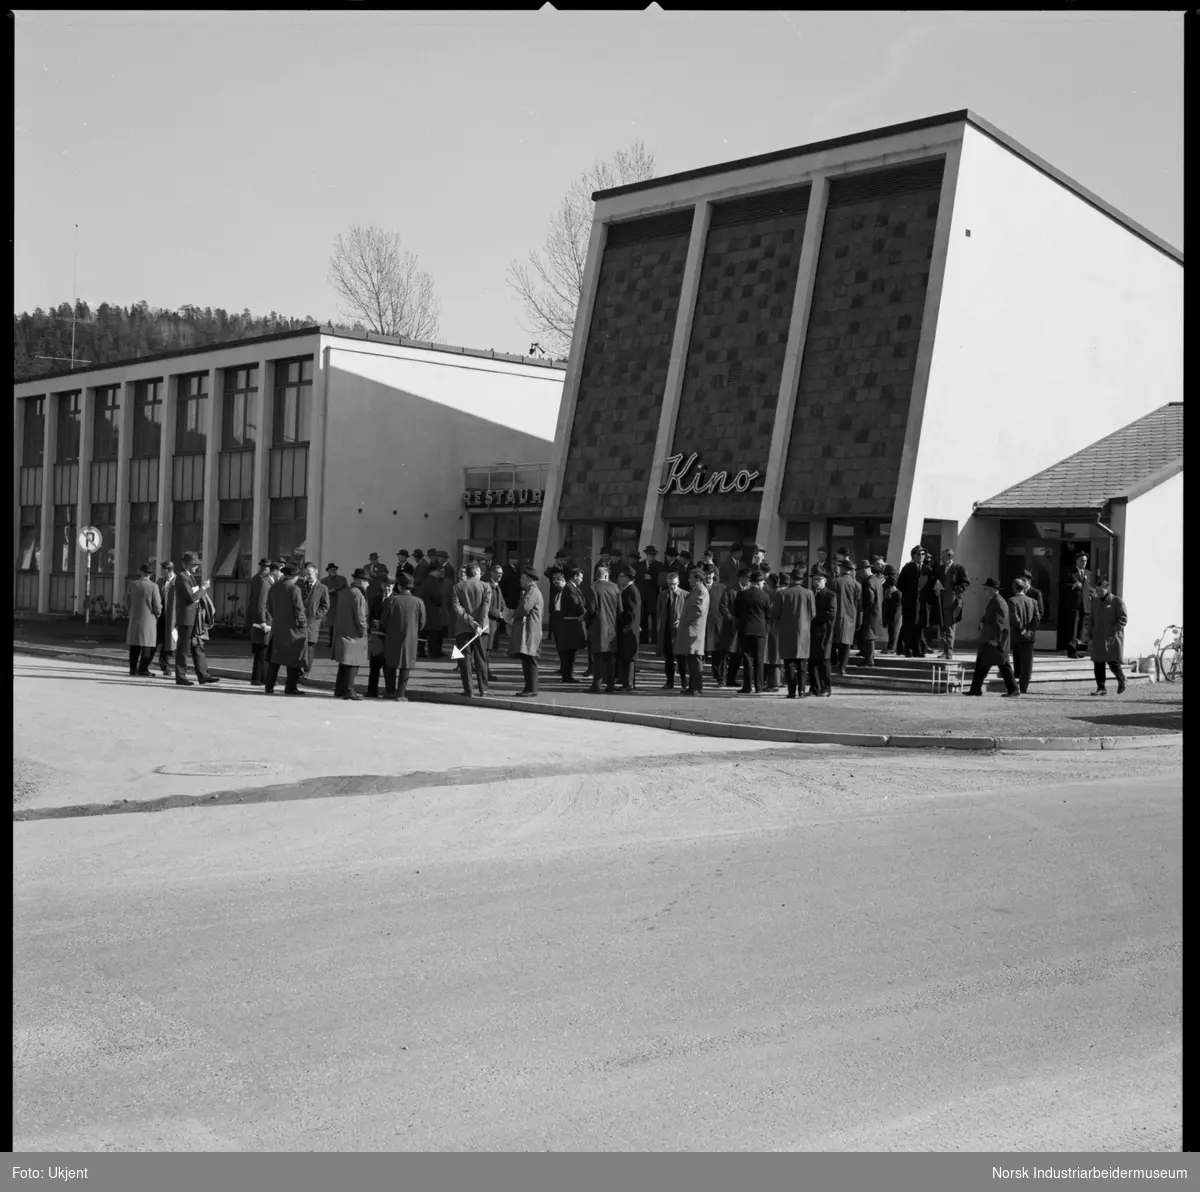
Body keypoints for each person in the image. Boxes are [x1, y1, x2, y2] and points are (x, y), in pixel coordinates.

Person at [967, 578, 1019, 696]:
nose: (984, 591)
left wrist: (996, 640)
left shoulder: (998, 603)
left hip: (994, 641)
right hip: (990, 639)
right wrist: (983, 621)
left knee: (1003, 665)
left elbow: (999, 623)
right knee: (983, 664)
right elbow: (989, 618)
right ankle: (975, 689)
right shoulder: (995, 601)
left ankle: (1013, 689)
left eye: (986, 589)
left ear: (991, 590)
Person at [173, 552, 218, 686]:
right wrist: (203, 588)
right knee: (184, 648)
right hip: (186, 618)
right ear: (186, 564)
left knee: (198, 645)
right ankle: (181, 676)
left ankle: (203, 674)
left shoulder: (189, 576)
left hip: (194, 618)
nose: (196, 568)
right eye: (194, 565)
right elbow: (191, 598)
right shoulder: (181, 577)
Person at [264, 562, 308, 696]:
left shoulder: (275, 586)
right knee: (294, 658)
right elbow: (299, 609)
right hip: (292, 628)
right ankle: (290, 686)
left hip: (278, 627)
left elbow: (269, 607)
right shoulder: (294, 589)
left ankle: (269, 685)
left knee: (275, 659)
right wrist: (303, 625)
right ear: (294, 576)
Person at [380, 573, 425, 700]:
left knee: (390, 664)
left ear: (399, 586)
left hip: (392, 636)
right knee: (406, 665)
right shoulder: (419, 602)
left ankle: (390, 691)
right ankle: (401, 693)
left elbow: (384, 620)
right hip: (410, 638)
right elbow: (422, 623)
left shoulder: (391, 600)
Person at [451, 561, 492, 698]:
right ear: (476, 573)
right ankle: (483, 689)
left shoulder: (458, 587)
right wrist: (478, 623)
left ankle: (469, 689)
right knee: (481, 658)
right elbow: (485, 606)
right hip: (482, 628)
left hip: (463, 627)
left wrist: (470, 621)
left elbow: (457, 608)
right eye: (480, 572)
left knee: (465, 660)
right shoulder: (486, 586)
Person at [332, 567, 370, 700]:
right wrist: (364, 631)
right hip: (354, 634)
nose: (368, 584)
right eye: (366, 581)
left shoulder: (344, 592)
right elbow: (360, 617)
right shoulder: (358, 595)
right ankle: (349, 689)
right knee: (353, 663)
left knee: (344, 663)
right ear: (360, 581)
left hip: (343, 631)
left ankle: (340, 689)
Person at [777, 569, 816, 698]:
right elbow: (813, 614)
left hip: (787, 632)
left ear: (792, 579)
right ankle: (802, 690)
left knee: (789, 664)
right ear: (802, 579)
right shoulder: (809, 593)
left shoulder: (783, 594)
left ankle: (791, 691)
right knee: (802, 665)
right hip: (804, 632)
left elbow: (776, 614)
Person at [1088, 575, 1128, 696]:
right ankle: (1101, 688)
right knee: (1098, 663)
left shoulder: (1117, 601)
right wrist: (1090, 631)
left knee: (1113, 662)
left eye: (1101, 591)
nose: (1099, 593)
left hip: (1112, 637)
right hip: (1098, 636)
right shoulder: (1095, 602)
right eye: (1097, 591)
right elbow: (1091, 618)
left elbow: (1123, 619)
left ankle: (1122, 680)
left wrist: (1113, 631)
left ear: (1107, 589)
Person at [928, 547, 970, 659]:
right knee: (942, 627)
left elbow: (966, 583)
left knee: (950, 626)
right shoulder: (939, 569)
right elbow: (936, 581)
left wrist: (956, 590)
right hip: (941, 601)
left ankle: (949, 652)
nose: (941, 558)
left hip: (953, 602)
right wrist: (935, 589)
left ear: (949, 557)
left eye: (943, 556)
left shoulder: (958, 568)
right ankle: (945, 650)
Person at [734, 570, 772, 695]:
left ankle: (747, 687)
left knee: (747, 659)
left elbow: (736, 613)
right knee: (759, 660)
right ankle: (759, 686)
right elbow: (768, 614)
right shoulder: (765, 596)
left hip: (745, 629)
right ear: (760, 582)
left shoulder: (741, 594)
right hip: (760, 630)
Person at [586, 563, 621, 694]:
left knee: (598, 656)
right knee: (610, 657)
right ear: (606, 575)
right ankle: (610, 684)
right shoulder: (615, 588)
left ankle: (597, 684)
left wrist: (585, 619)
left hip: (598, 626)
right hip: (612, 626)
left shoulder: (593, 588)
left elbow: (592, 609)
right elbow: (620, 609)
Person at [508, 568, 544, 697]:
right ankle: (529, 688)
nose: (520, 580)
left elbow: (524, 607)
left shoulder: (532, 591)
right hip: (530, 629)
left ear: (529, 579)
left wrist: (513, 616)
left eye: (522, 578)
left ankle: (531, 688)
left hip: (530, 630)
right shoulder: (531, 590)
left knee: (530, 660)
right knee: (528, 659)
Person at [677, 568, 710, 696]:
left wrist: (685, 620)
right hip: (691, 629)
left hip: (694, 630)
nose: (689, 580)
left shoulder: (701, 591)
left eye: (691, 578)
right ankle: (692, 686)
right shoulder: (696, 590)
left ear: (697, 579)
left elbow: (698, 610)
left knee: (695, 659)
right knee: (691, 659)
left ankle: (696, 687)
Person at [126, 563, 162, 676]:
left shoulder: (133, 584)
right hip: (148, 618)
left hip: (135, 617)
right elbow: (156, 604)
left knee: (134, 644)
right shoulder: (153, 586)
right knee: (147, 644)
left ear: (141, 572)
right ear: (150, 574)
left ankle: (132, 668)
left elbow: (126, 599)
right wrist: (158, 613)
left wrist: (130, 609)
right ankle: (143, 668)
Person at [1008, 576, 1041, 694]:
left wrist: (1022, 630)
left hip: (1018, 636)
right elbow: (1037, 618)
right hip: (1029, 637)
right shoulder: (1033, 601)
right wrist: (1030, 631)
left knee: (1018, 662)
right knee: (1027, 664)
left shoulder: (1012, 600)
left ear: (1014, 588)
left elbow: (1014, 618)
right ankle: (1023, 688)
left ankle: (1017, 687)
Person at [656, 568, 688, 690]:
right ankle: (669, 681)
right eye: (669, 584)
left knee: (681, 658)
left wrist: (681, 621)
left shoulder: (685, 595)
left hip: (679, 631)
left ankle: (684, 681)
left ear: (678, 582)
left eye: (674, 584)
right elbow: (659, 612)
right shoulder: (663, 595)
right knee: (668, 657)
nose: (672, 587)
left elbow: (688, 613)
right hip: (666, 630)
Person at [830, 557, 862, 676]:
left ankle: (833, 663)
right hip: (850, 617)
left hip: (836, 616)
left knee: (833, 641)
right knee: (846, 644)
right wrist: (859, 620)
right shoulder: (857, 585)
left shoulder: (835, 582)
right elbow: (859, 604)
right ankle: (842, 668)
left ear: (843, 569)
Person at [897, 546, 930, 657]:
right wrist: (909, 593)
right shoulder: (907, 568)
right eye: (919, 554)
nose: (921, 556)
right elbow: (900, 584)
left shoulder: (927, 569)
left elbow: (931, 585)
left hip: (922, 604)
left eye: (923, 554)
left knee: (919, 627)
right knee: (908, 626)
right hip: (909, 602)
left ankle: (918, 650)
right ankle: (908, 649)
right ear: (914, 556)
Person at [715, 569, 746, 687]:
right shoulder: (730, 590)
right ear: (740, 578)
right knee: (724, 653)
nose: (748, 581)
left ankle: (731, 679)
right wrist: (730, 617)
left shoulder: (748, 590)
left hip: (742, 627)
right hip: (729, 626)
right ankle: (721, 678)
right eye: (746, 578)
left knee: (737, 654)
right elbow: (722, 606)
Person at [301, 560, 330, 682]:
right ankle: (300, 669)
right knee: (300, 646)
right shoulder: (301, 585)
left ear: (316, 572)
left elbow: (326, 605)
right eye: (306, 574)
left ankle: (307, 671)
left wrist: (316, 615)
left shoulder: (322, 588)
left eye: (310, 574)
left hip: (313, 621)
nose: (308, 576)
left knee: (311, 646)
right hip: (301, 621)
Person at [808, 572, 835, 697]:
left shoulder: (830, 595)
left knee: (824, 660)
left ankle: (826, 687)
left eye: (819, 579)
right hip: (812, 632)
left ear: (825, 581)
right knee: (812, 660)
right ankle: (814, 687)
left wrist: (813, 619)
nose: (816, 582)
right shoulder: (812, 594)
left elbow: (830, 614)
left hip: (824, 632)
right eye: (815, 579)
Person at [1063, 550, 1094, 658]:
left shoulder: (1088, 573)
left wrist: (1091, 594)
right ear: (1076, 561)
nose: (1084, 563)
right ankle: (1071, 651)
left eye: (1085, 561)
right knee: (1073, 629)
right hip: (1073, 604)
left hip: (1084, 604)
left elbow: (1090, 587)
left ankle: (1079, 650)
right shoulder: (1069, 572)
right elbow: (1062, 585)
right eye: (1081, 560)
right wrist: (1072, 585)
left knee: (1081, 629)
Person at [247, 558, 273, 686]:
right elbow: (261, 602)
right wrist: (262, 620)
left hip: (257, 617)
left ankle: (261, 677)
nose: (266, 569)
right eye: (264, 566)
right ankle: (258, 677)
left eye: (267, 566)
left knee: (262, 650)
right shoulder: (263, 581)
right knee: (262, 650)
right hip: (262, 618)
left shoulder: (258, 578)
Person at [616, 568, 641, 691]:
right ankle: (625, 682)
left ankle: (629, 684)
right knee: (625, 656)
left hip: (628, 630)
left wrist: (625, 626)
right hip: (627, 629)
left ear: (628, 578)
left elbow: (632, 613)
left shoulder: (631, 591)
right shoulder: (627, 590)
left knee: (629, 656)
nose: (619, 579)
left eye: (622, 576)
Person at [365, 572, 390, 698]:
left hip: (390, 637)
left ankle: (389, 691)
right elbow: (371, 615)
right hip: (377, 636)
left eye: (390, 585)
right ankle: (372, 691)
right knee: (374, 666)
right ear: (382, 585)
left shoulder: (395, 599)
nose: (387, 588)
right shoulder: (376, 598)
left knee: (388, 667)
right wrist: (373, 623)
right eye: (386, 585)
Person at [855, 559, 884, 667]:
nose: (858, 573)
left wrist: (865, 609)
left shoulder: (868, 581)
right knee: (869, 636)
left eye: (860, 570)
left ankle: (869, 659)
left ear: (865, 570)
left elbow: (869, 598)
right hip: (877, 611)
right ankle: (868, 657)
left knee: (869, 636)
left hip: (870, 612)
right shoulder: (876, 580)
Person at [704, 566, 728, 685]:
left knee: (720, 651)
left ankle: (721, 677)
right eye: (706, 573)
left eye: (710, 574)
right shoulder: (699, 587)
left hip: (718, 623)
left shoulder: (721, 588)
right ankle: (713, 673)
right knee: (706, 651)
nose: (708, 576)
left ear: (714, 575)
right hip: (703, 624)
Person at [635, 545, 663, 644]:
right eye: (651, 555)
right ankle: (643, 640)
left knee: (655, 619)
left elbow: (662, 580)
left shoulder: (659, 565)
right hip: (642, 596)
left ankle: (655, 640)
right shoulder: (639, 566)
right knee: (643, 619)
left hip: (654, 596)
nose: (652, 556)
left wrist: (652, 578)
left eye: (654, 555)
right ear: (646, 555)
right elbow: (636, 581)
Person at [485, 562, 509, 683]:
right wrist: (498, 614)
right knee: (486, 649)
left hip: (495, 623)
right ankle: (484, 672)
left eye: (501, 574)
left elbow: (502, 603)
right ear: (492, 573)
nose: (500, 576)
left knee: (488, 649)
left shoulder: (498, 587)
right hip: (488, 622)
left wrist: (505, 612)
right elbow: (486, 605)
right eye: (498, 573)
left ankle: (485, 671)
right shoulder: (488, 586)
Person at [419, 565, 446, 659]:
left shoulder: (425, 582)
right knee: (433, 634)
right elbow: (438, 597)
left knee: (423, 634)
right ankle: (433, 653)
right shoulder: (434, 582)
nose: (439, 573)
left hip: (424, 610)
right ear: (432, 572)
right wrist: (439, 604)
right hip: (433, 611)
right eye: (437, 571)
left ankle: (421, 652)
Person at [156, 560, 177, 676]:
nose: (160, 573)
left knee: (169, 641)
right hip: (161, 615)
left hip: (173, 617)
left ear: (168, 570)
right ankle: (146, 664)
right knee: (158, 639)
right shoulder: (160, 581)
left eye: (162, 570)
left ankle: (166, 665)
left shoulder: (177, 581)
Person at [321, 563, 347, 654]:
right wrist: (328, 591)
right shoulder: (324, 580)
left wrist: (336, 590)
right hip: (330, 605)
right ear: (328, 571)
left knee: (340, 624)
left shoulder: (342, 579)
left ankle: (339, 642)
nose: (333, 571)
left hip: (340, 603)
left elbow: (345, 589)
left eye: (334, 570)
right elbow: (322, 592)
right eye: (331, 570)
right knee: (331, 625)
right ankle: (331, 642)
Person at [881, 564, 902, 654]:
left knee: (894, 625)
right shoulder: (889, 582)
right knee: (891, 625)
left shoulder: (892, 582)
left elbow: (890, 582)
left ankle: (892, 647)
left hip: (895, 601)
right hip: (891, 602)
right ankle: (892, 646)